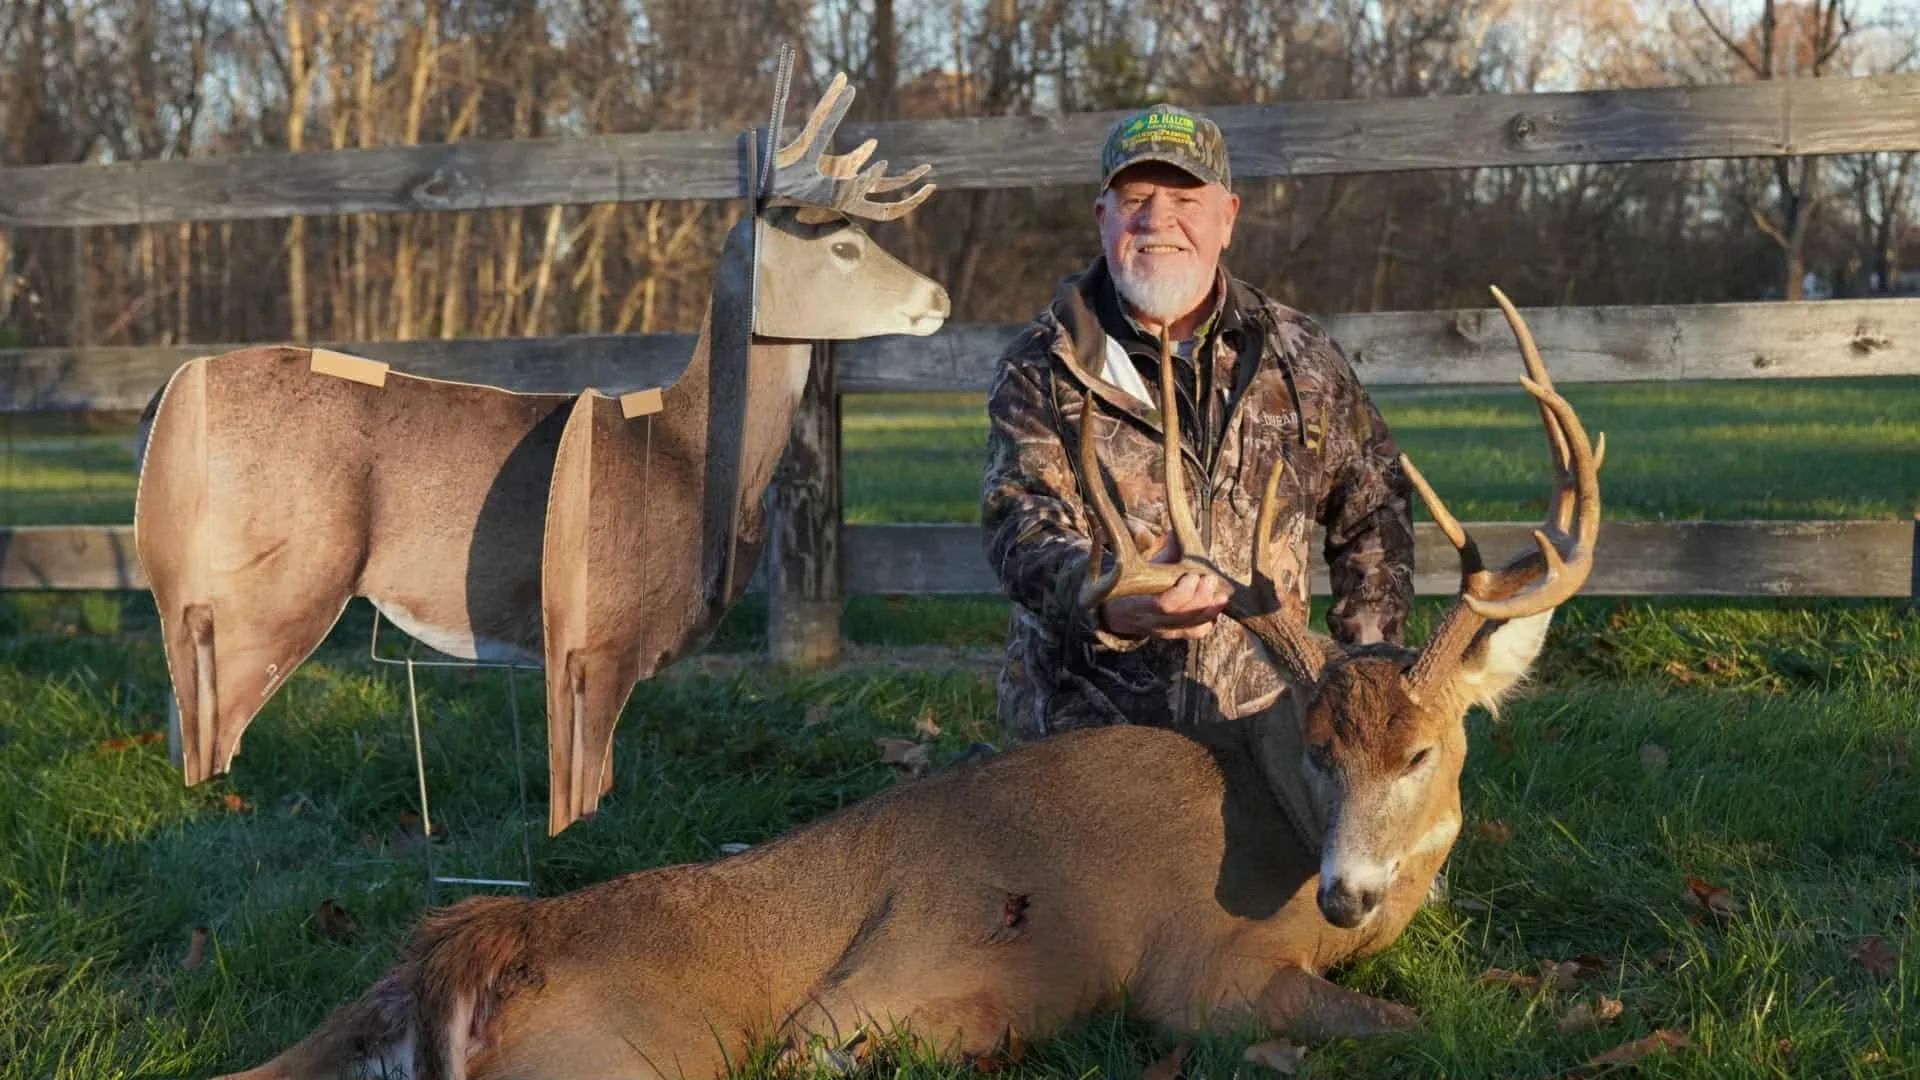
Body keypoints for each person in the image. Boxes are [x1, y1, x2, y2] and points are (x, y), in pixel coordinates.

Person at [981, 103, 1416, 742]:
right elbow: (1019, 521)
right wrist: (1107, 600)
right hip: (1085, 735)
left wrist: (1368, 673)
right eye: (1136, 198)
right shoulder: (1044, 363)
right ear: (1103, 219)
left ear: (1227, 219)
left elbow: (1373, 510)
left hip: (1267, 733)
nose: (1159, 220)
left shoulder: (1300, 357)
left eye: (1186, 199)